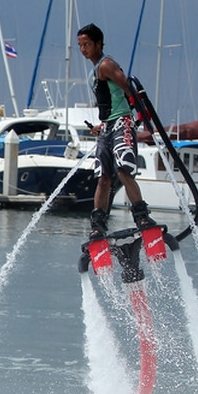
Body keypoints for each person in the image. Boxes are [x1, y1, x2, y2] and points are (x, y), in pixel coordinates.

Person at [77, 23, 156, 239]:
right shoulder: (94, 71)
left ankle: (142, 216)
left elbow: (130, 90)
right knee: (103, 177)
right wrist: (101, 126)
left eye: (87, 44)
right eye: (80, 45)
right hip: (109, 126)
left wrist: (140, 118)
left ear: (98, 44)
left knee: (123, 170)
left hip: (122, 123)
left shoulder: (106, 65)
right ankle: (98, 224)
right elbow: (109, 103)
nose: (83, 49)